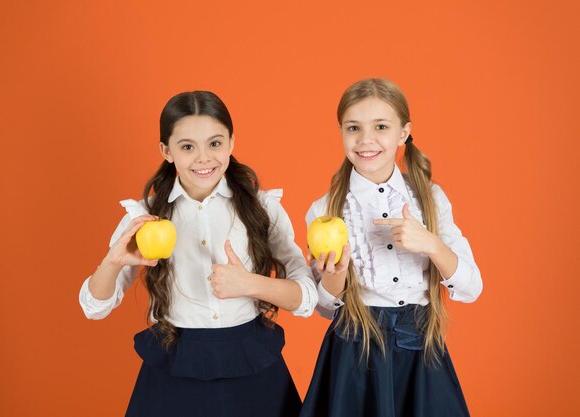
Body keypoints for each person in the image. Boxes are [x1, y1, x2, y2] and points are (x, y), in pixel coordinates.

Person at [79, 90, 317, 417]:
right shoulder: (144, 216)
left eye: (215, 143)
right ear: (166, 150)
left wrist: (250, 284)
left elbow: (306, 298)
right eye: (188, 147)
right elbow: (94, 307)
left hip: (253, 368)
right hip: (174, 365)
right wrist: (112, 261)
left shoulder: (264, 209)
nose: (204, 158)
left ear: (232, 143)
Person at [300, 78, 483, 417]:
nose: (366, 139)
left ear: (403, 133)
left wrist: (430, 243)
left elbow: (471, 288)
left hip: (421, 355)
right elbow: (324, 307)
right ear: (341, 132)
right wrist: (334, 279)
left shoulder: (430, 199)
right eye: (353, 127)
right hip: (354, 357)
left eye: (380, 126)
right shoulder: (325, 210)